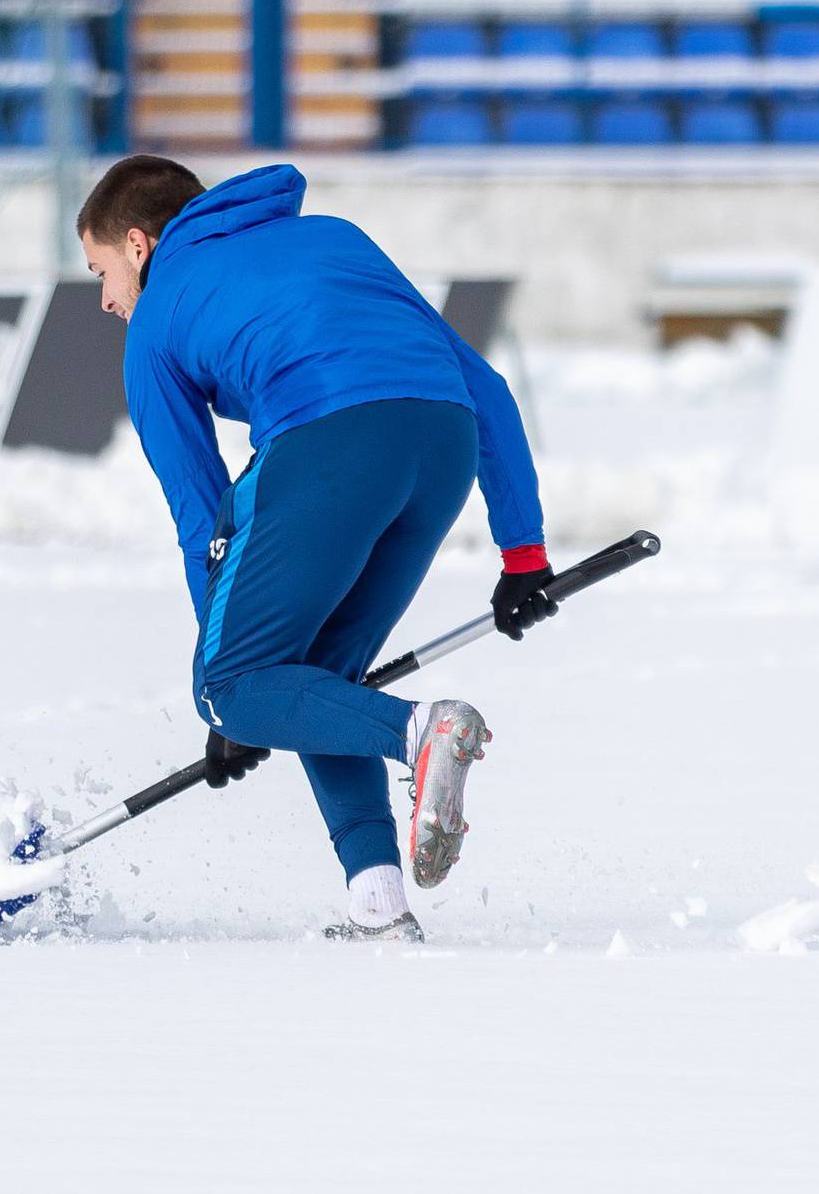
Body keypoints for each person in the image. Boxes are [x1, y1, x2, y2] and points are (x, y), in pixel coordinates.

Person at [77, 156, 554, 941]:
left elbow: (201, 515)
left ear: (137, 244)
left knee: (237, 678)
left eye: (100, 270)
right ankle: (378, 903)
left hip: (332, 439)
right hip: (443, 446)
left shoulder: (157, 318)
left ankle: (420, 728)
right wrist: (523, 555)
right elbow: (486, 389)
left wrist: (232, 695)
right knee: (322, 684)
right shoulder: (335, 239)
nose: (104, 298)